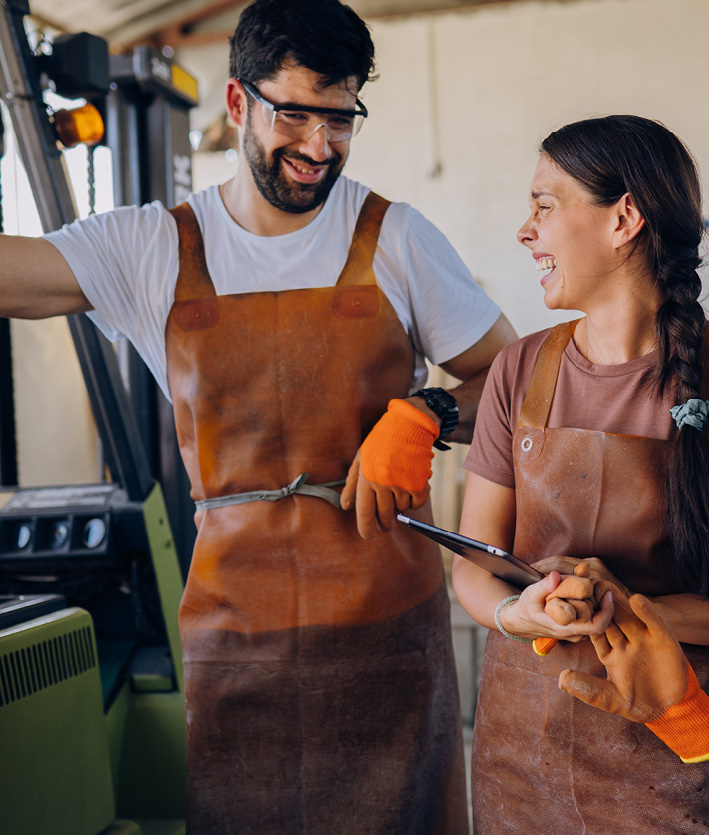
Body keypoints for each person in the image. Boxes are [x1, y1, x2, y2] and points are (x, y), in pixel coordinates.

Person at [1, 0, 516, 831]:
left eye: (341, 119)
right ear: (238, 103)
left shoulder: (395, 237)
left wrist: (428, 409)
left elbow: (514, 378)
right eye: (296, 115)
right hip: (237, 642)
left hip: (387, 636)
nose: (320, 147)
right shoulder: (150, 248)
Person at [453, 115, 709, 834]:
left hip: (666, 767)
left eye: (544, 205)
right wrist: (517, 613)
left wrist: (650, 614)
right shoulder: (519, 371)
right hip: (518, 766)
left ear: (625, 218)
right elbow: (472, 566)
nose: (525, 229)